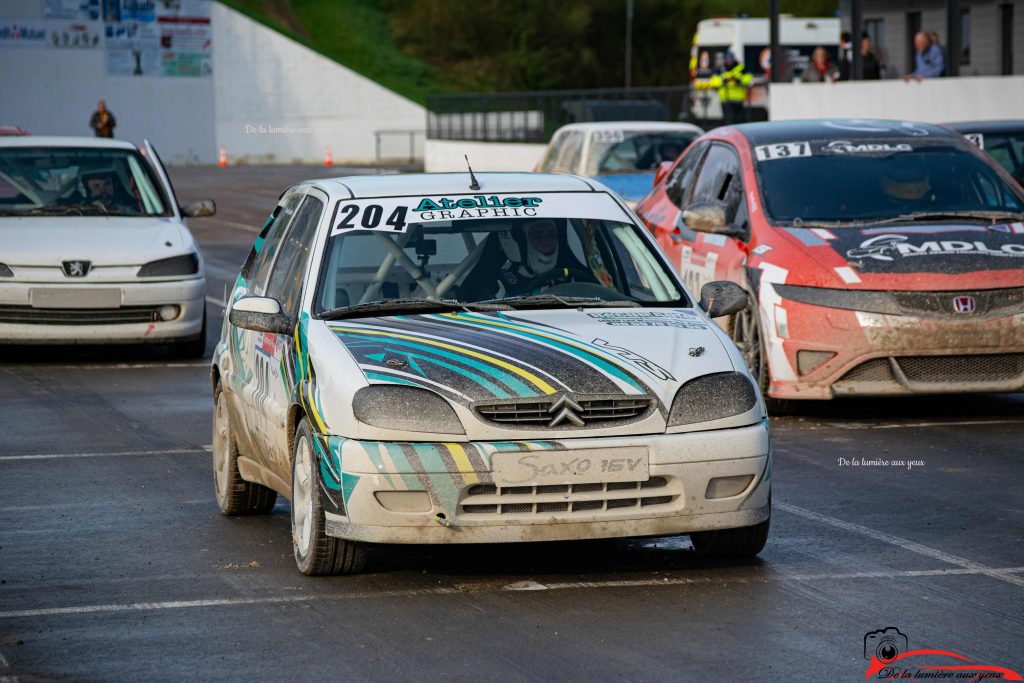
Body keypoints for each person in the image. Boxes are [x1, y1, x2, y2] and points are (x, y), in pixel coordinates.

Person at [459, 219, 591, 300]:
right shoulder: (497, 284)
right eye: (537, 236)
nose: (546, 243)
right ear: (518, 243)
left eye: (551, 235)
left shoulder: (574, 278)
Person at [704, 51, 753, 125]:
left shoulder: (741, 68)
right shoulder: (720, 69)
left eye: (731, 59)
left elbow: (749, 78)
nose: (729, 61)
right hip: (725, 99)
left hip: (738, 100)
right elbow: (714, 81)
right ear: (725, 60)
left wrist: (738, 80)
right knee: (727, 121)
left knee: (739, 121)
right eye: (728, 59)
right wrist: (724, 80)